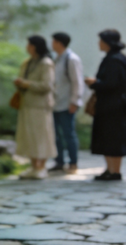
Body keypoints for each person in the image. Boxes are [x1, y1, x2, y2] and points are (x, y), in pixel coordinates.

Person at [84, 30, 126, 181]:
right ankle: (110, 169)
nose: (99, 44)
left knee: (113, 138)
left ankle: (115, 171)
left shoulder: (115, 60)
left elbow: (113, 84)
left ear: (108, 42)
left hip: (113, 106)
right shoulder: (113, 58)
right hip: (109, 105)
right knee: (107, 137)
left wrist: (95, 83)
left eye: (101, 41)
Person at [14, 35, 57, 180]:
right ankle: (33, 166)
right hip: (27, 104)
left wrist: (26, 84)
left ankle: (41, 167)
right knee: (29, 137)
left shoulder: (46, 63)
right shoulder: (27, 62)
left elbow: (47, 85)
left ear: (35, 46)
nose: (27, 47)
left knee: (42, 136)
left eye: (29, 45)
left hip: (40, 106)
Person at [48, 32, 83, 174]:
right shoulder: (57, 59)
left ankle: (73, 163)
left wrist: (75, 101)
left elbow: (77, 82)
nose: (52, 44)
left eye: (53, 41)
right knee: (55, 135)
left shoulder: (71, 59)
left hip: (67, 103)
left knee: (68, 134)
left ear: (59, 43)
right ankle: (59, 162)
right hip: (55, 103)